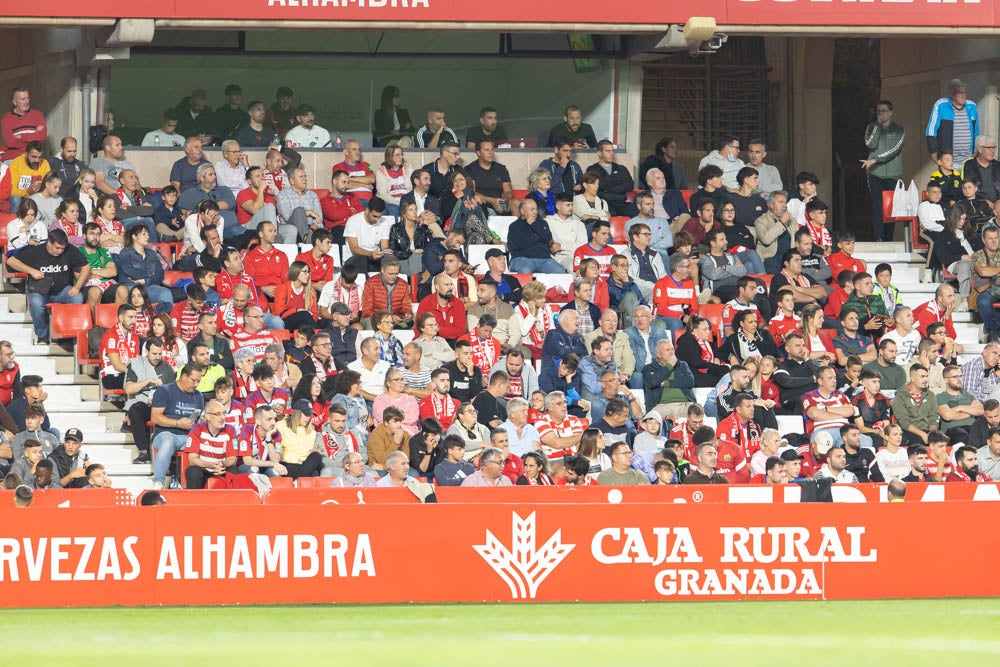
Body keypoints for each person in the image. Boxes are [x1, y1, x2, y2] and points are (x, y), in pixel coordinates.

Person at [6, 228, 89, 344]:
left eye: (62, 248)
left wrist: (77, 286)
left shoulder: (70, 250)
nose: (60, 251)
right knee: (35, 303)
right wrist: (31, 271)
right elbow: (11, 261)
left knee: (78, 298)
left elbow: (86, 267)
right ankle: (42, 336)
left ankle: (67, 335)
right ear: (48, 243)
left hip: (62, 290)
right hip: (39, 291)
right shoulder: (35, 251)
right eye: (57, 248)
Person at [149, 364, 206, 489]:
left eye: (198, 381)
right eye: (193, 380)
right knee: (168, 441)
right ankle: (158, 481)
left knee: (206, 443)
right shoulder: (165, 390)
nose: (196, 384)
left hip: (188, 436)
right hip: (165, 434)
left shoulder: (198, 395)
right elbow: (155, 417)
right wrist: (178, 423)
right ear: (184, 376)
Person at [116, 226, 172, 314]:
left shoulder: (152, 253)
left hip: (148, 285)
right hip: (131, 286)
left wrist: (145, 280)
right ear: (134, 237)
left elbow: (160, 275)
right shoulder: (125, 253)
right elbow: (132, 273)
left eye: (148, 234)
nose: (148, 237)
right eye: (144, 234)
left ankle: (163, 322)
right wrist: (151, 274)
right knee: (137, 294)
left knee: (165, 293)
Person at [926, 78, 978, 165]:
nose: (963, 96)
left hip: (968, 158)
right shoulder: (941, 105)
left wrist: (976, 151)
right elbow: (931, 130)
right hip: (948, 159)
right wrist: (933, 150)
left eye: (965, 93)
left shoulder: (972, 106)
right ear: (952, 94)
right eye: (960, 93)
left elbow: (976, 131)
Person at [506, 198, 564, 274]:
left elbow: (548, 239)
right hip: (522, 258)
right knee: (525, 270)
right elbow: (518, 245)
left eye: (536, 209)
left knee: (561, 272)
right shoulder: (515, 226)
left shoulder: (542, 223)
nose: (535, 212)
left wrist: (534, 225)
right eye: (532, 209)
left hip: (544, 259)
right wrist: (537, 236)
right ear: (522, 211)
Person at [361, 255, 413, 330]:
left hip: (396, 320)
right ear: (382, 270)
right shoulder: (370, 283)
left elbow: (406, 307)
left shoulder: (403, 284)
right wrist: (387, 318)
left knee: (416, 324)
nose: (394, 277)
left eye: (396, 273)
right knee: (370, 323)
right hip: (375, 320)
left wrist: (408, 314)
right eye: (390, 274)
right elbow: (366, 311)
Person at [344, 196, 392, 274]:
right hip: (355, 258)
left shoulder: (384, 222)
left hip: (374, 257)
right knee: (362, 260)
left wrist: (386, 252)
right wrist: (370, 253)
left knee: (390, 261)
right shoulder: (353, 221)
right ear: (367, 210)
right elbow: (354, 249)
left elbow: (384, 246)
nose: (377, 220)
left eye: (379, 217)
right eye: (374, 216)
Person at [464, 139, 512, 215]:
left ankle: (517, 226)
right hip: (481, 203)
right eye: (487, 150)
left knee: (516, 203)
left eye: (492, 150)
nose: (491, 153)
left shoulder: (501, 169)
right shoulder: (470, 169)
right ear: (478, 153)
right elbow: (471, 192)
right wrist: (492, 201)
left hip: (500, 202)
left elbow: (508, 191)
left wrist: (504, 200)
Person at [2, 87, 47, 162]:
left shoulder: (38, 115)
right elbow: (10, 143)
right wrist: (34, 134)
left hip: (33, 157)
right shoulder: (6, 119)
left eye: (28, 98)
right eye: (23, 99)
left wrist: (21, 137)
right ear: (15, 102)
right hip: (13, 158)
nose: (27, 102)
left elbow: (42, 137)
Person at [374, 143, 413, 215]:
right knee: (394, 209)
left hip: (407, 200)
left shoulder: (407, 168)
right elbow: (382, 194)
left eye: (401, 154)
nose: (401, 157)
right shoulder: (382, 171)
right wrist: (398, 203)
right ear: (390, 157)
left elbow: (412, 188)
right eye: (397, 155)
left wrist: (407, 172)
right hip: (390, 201)